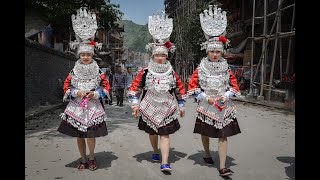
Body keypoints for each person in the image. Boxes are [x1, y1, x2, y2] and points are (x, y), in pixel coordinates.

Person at [128, 13, 186, 173]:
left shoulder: (172, 72)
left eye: (163, 55)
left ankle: (165, 162)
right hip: (149, 107)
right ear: (152, 55)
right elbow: (135, 89)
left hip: (167, 106)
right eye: (158, 55)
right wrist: (135, 105)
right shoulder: (145, 71)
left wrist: (181, 105)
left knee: (165, 135)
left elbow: (178, 89)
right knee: (153, 133)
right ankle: (155, 150)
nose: (160, 58)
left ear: (167, 56)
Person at [187, 5, 241, 176]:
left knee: (223, 135)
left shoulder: (226, 67)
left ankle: (223, 167)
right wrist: (205, 97)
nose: (215, 54)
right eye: (212, 51)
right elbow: (193, 87)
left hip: (223, 106)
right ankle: (207, 152)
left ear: (222, 51)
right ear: (207, 51)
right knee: (206, 132)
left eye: (218, 51)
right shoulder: (201, 67)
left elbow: (234, 86)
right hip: (207, 105)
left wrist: (226, 96)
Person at [57, 7, 110, 171]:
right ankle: (83, 158)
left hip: (93, 107)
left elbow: (106, 86)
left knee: (91, 135)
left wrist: (95, 93)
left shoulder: (99, 71)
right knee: (79, 135)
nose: (85, 57)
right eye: (83, 54)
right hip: (77, 107)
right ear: (79, 55)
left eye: (88, 54)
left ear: (92, 55)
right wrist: (76, 92)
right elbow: (66, 86)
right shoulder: (73, 71)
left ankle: (92, 157)